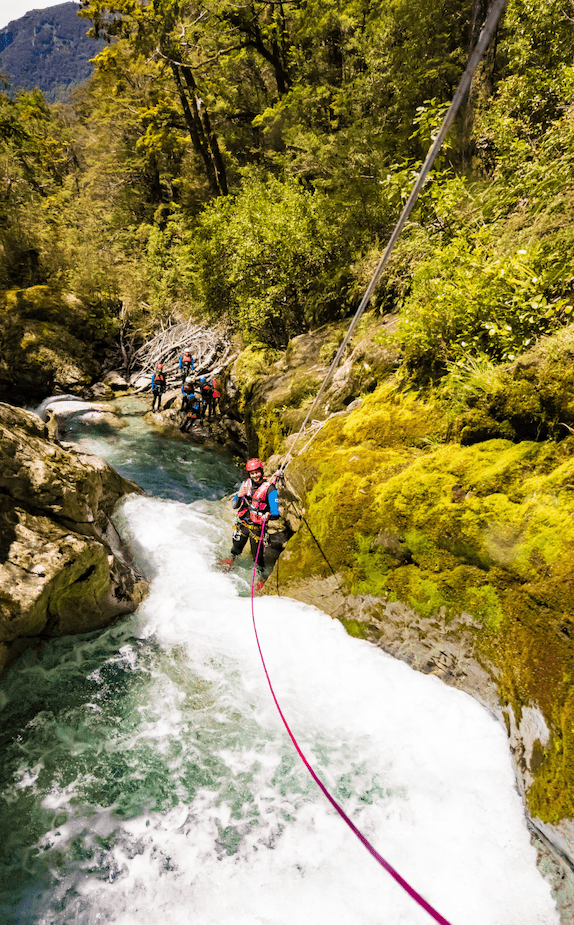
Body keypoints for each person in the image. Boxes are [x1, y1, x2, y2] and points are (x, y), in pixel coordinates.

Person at [221, 458, 280, 579]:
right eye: (252, 473)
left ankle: (261, 575)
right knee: (236, 547)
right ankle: (231, 560)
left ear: (261, 471)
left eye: (257, 472)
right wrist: (238, 495)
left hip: (256, 527)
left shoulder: (270, 488)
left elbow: (276, 512)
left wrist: (268, 514)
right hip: (243, 523)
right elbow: (234, 506)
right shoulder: (245, 485)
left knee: (257, 556)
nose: (255, 475)